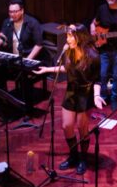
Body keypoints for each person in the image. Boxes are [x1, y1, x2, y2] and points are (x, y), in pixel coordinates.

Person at [33, 24, 106, 175]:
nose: (68, 39)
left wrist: (97, 96)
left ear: (80, 37)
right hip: (71, 91)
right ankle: (73, 156)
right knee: (67, 126)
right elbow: (67, 69)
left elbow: (98, 80)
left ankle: (83, 159)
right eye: (67, 36)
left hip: (85, 94)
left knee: (82, 128)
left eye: (71, 36)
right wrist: (47, 69)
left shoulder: (93, 56)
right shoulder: (69, 52)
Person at [0, 0, 44, 91]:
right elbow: (2, 37)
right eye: (10, 12)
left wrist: (27, 60)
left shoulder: (32, 23)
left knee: (22, 77)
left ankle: (22, 101)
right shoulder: (7, 22)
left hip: (27, 58)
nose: (12, 14)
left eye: (15, 11)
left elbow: (39, 45)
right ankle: (2, 98)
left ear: (22, 11)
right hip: (13, 58)